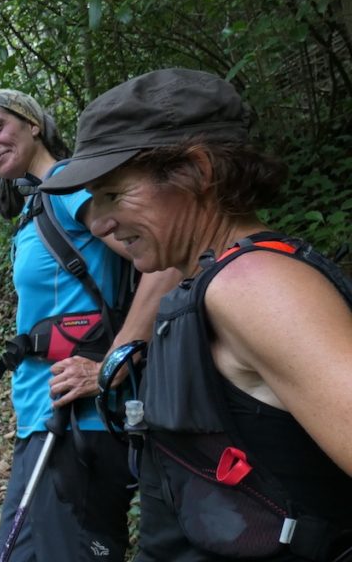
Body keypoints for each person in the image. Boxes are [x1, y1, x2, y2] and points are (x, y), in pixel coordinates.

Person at [40, 68, 352, 561]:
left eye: (113, 194)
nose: (99, 221)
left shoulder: (255, 287)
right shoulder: (208, 283)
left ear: (198, 170)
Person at [0, 90, 180, 561]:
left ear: (33, 123)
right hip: (44, 416)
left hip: (78, 423)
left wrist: (113, 363)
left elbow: (166, 260)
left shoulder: (68, 185)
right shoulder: (37, 203)